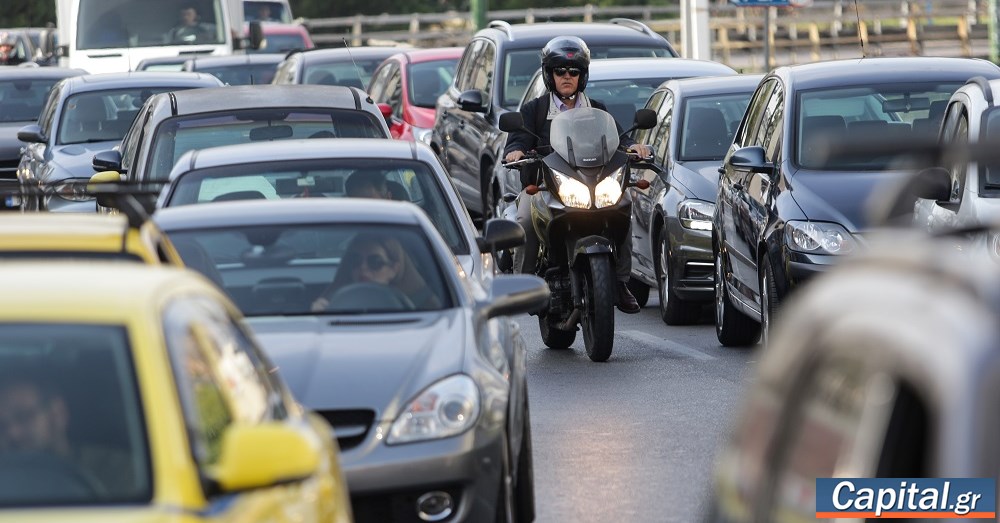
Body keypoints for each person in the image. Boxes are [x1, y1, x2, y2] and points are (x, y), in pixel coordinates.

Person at [502, 36, 651, 314]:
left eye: (574, 71)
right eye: (560, 71)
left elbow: (618, 138)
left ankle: (619, 281)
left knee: (624, 207)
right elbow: (516, 141)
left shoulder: (596, 109)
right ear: (550, 75)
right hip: (545, 187)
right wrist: (516, 152)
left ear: (583, 75)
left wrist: (634, 147)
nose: (567, 77)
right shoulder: (534, 110)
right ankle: (525, 286)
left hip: (593, 185)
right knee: (523, 219)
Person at [0, 370, 133, 496]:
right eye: (2, 425)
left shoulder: (118, 469)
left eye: (24, 417)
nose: (12, 433)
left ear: (57, 413)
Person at [311, 233, 441, 312]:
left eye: (375, 262)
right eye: (355, 261)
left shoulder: (429, 309)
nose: (363, 267)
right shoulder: (330, 304)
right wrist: (317, 318)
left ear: (394, 269)